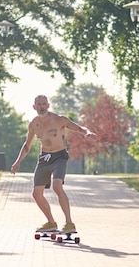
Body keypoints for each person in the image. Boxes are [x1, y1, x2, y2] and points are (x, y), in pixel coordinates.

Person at [10, 95, 95, 233]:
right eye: (39, 104)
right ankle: (51, 222)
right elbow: (27, 145)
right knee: (37, 193)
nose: (42, 107)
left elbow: (79, 128)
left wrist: (87, 132)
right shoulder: (34, 124)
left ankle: (69, 223)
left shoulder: (59, 119)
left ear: (48, 105)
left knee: (57, 186)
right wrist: (17, 162)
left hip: (59, 156)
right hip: (44, 158)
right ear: (34, 107)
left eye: (44, 104)